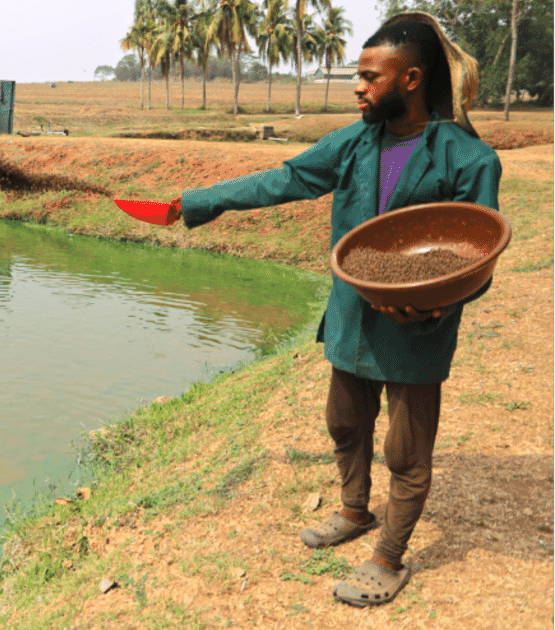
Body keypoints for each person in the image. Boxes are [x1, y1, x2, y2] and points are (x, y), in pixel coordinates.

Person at [161, 12, 501, 607]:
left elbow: (479, 255)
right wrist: (194, 202)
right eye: (359, 76)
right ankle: (353, 509)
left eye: (371, 76)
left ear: (412, 79)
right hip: (352, 313)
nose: (359, 87)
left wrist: (432, 308)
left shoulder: (466, 159)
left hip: (419, 325)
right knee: (345, 421)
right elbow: (283, 180)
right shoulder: (354, 141)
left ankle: (389, 559)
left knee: (406, 450)